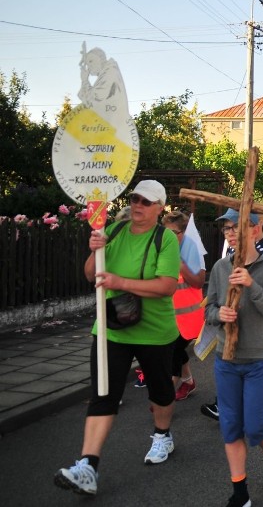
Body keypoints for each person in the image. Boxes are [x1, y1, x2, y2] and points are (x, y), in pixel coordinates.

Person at [54, 180, 180, 496]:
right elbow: (89, 274)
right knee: (103, 395)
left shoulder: (165, 239)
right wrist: (95, 250)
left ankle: (163, 434)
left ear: (160, 208)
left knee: (161, 391)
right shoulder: (115, 231)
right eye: (135, 198)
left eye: (146, 201)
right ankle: (88, 466)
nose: (138, 205)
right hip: (112, 327)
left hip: (154, 331)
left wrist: (119, 280)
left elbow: (166, 286)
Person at [205, 209, 263, 507]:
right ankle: (240, 492)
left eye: (234, 226)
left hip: (258, 358)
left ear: (254, 229)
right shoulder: (219, 268)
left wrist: (252, 285)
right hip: (226, 359)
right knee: (231, 426)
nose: (228, 232)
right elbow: (209, 309)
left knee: (255, 428)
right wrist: (218, 314)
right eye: (225, 228)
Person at [161, 211, 206, 400]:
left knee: (173, 353)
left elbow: (199, 282)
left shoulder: (192, 251)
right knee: (175, 351)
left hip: (189, 316)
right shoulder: (164, 250)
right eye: (165, 232)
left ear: (183, 233)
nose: (168, 237)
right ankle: (188, 382)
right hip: (170, 315)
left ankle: (165, 396)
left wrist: (181, 266)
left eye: (173, 232)